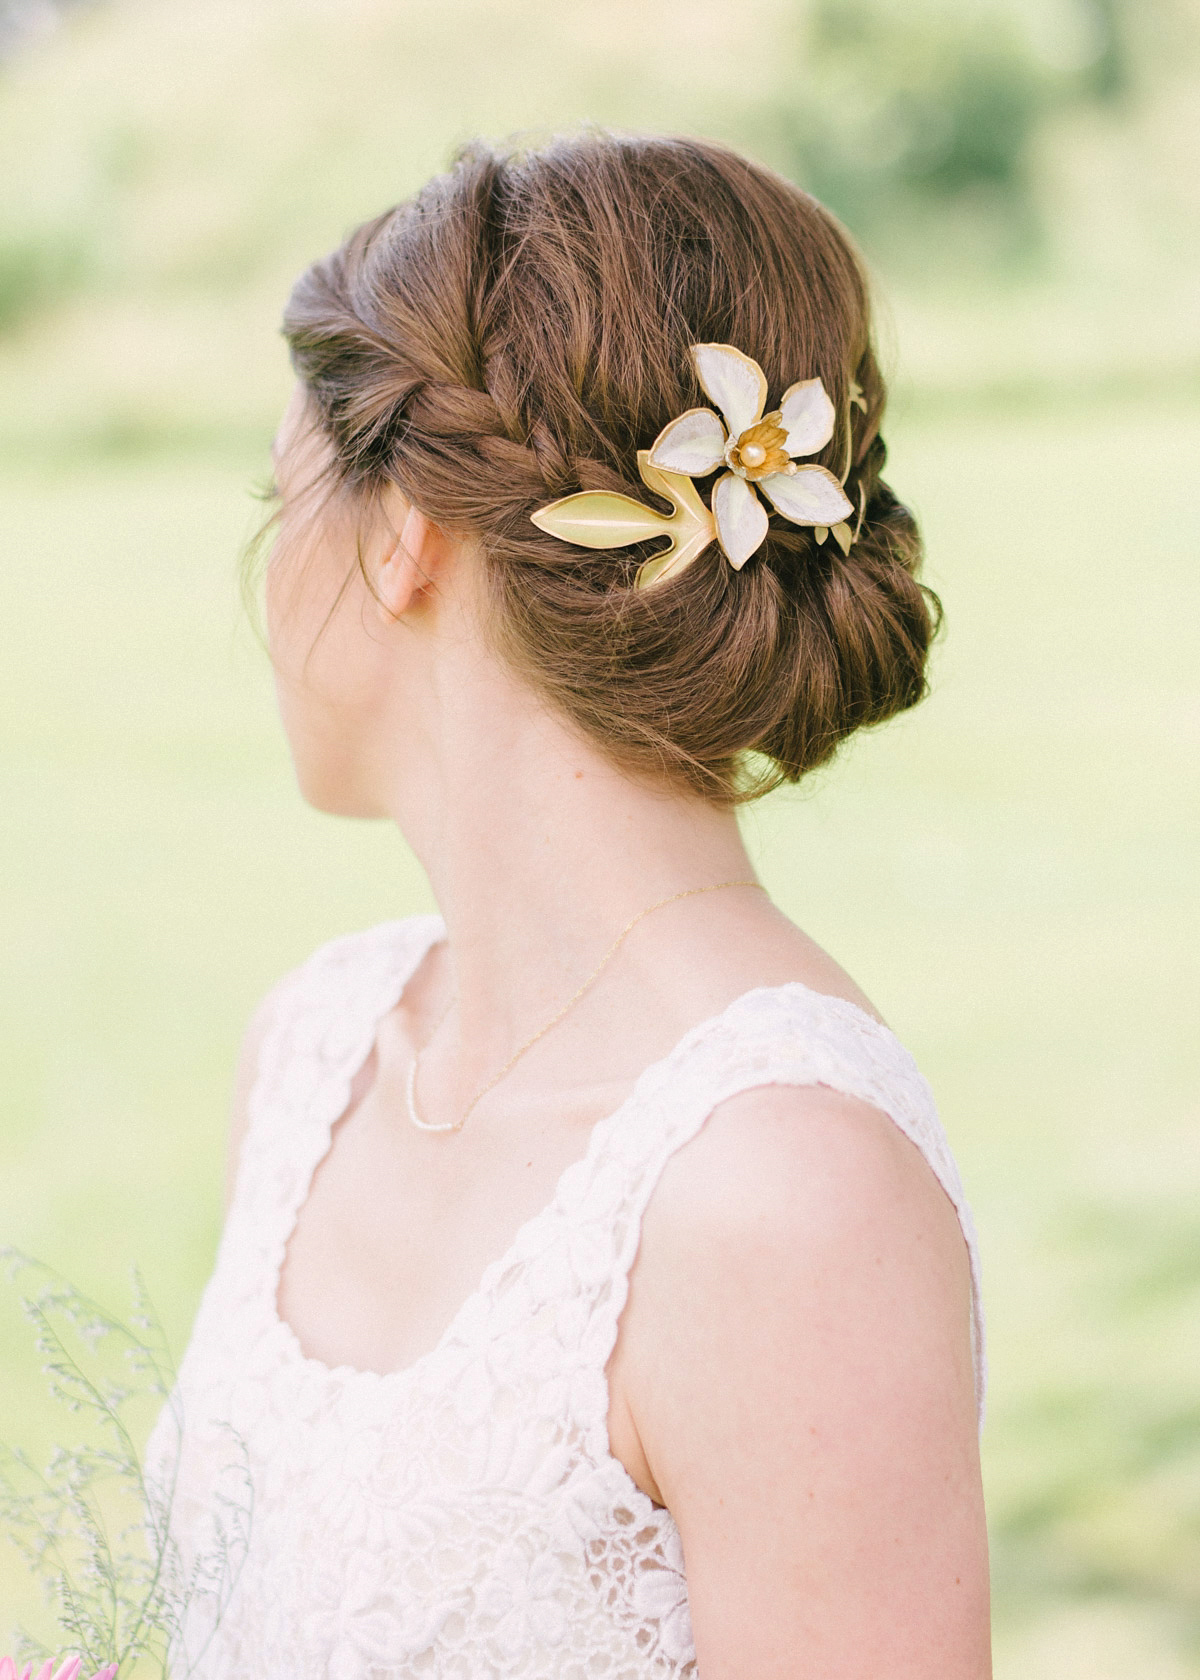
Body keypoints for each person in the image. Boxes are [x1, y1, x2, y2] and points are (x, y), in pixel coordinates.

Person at [149, 131, 991, 1678]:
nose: (266, 588)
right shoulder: (316, 1051)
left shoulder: (786, 1189)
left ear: (403, 534)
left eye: (280, 507)